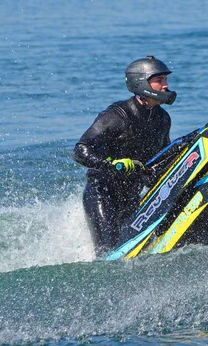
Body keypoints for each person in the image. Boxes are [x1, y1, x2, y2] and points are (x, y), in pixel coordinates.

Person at [72, 55, 176, 255]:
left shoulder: (162, 118)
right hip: (102, 195)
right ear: (141, 83)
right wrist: (112, 164)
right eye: (159, 80)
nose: (166, 86)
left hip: (132, 197)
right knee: (110, 252)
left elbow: (164, 158)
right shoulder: (116, 116)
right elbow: (80, 150)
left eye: (166, 80)